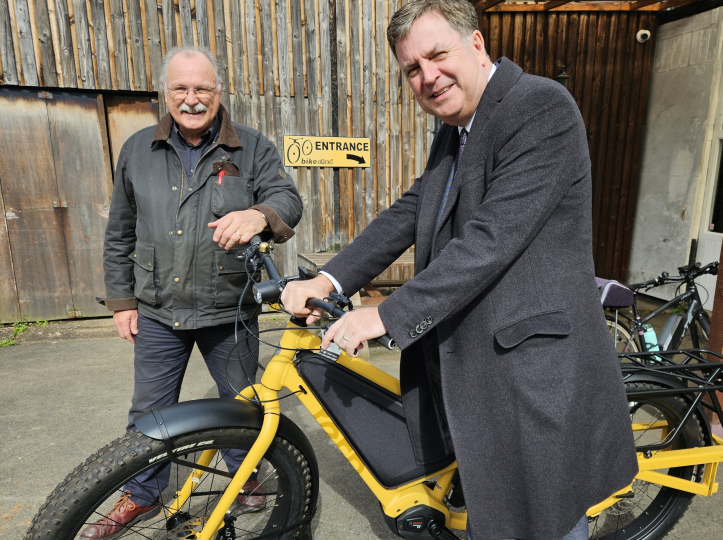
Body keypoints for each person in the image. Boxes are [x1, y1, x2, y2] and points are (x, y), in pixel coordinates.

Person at [281, 1, 638, 539]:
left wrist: (387, 314)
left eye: (437, 55)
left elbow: (490, 240)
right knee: (493, 516)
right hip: (476, 364)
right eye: (412, 69)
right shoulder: (460, 126)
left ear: (476, 44)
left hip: (531, 371)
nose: (428, 77)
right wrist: (330, 279)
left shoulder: (539, 107)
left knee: (543, 521)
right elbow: (412, 210)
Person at [88, 47, 302, 539]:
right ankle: (141, 494)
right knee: (148, 413)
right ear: (166, 94)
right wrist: (122, 303)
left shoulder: (252, 148)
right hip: (159, 309)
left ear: (218, 92)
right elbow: (120, 231)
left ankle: (244, 478)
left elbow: (288, 198)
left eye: (202, 88)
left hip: (229, 309)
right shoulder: (138, 150)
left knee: (243, 404)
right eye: (181, 89)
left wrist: (259, 216)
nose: (191, 99)